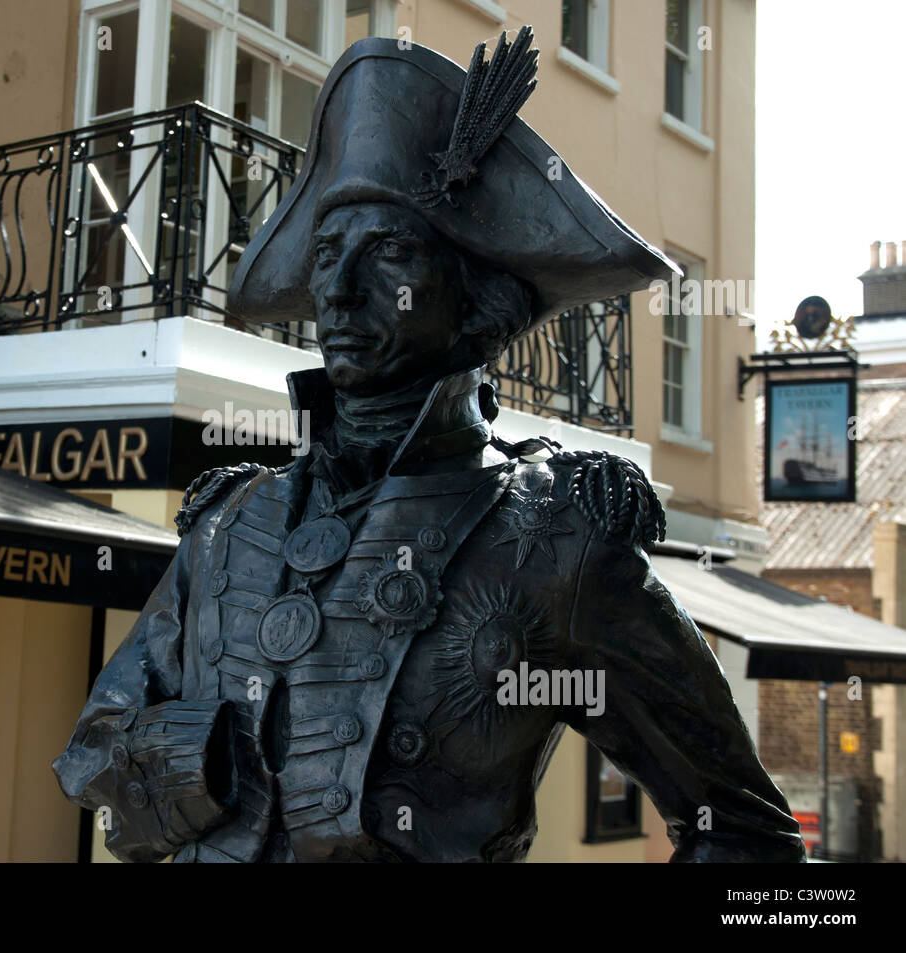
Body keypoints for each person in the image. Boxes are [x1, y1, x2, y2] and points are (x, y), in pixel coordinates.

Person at [53, 29, 805, 863]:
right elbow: (96, 744)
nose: (335, 291)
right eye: (329, 255)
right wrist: (207, 756)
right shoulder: (232, 522)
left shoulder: (553, 538)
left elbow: (746, 835)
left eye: (390, 255)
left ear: (475, 298)